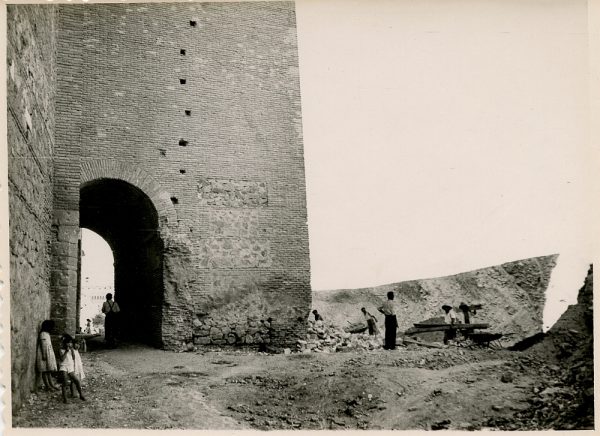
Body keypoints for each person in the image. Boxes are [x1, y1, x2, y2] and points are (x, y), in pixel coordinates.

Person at [58, 334, 86, 403]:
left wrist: (72, 351)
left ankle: (81, 395)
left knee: (77, 380)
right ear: (65, 343)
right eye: (68, 343)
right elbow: (62, 359)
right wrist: (66, 351)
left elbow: (73, 358)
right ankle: (65, 399)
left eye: (70, 343)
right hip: (63, 366)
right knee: (64, 382)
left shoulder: (71, 350)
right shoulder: (61, 350)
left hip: (70, 367)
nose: (69, 344)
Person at [36, 320, 59, 390]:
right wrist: (44, 354)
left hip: (48, 353)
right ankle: (47, 386)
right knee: (44, 371)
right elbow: (43, 345)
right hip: (44, 354)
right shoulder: (43, 334)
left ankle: (51, 384)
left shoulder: (47, 334)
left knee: (48, 370)